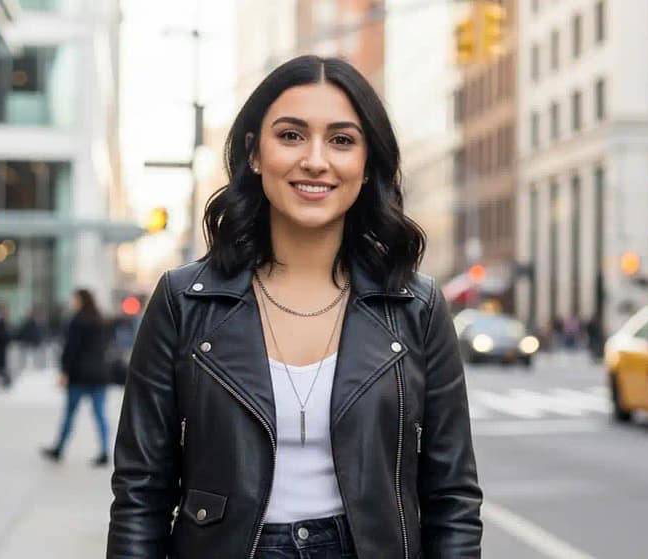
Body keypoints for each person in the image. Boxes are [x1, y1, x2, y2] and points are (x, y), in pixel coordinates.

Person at [107, 55, 482, 559]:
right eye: (291, 135)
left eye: (342, 140)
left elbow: (452, 498)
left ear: (367, 164)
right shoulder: (183, 301)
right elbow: (140, 493)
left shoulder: (416, 306)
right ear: (254, 153)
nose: (315, 160)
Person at [41, 289, 110, 466]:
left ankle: (59, 448)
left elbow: (71, 349)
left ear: (81, 300)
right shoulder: (100, 320)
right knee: (100, 414)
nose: (73, 302)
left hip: (79, 375)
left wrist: (64, 372)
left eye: (75, 299)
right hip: (98, 374)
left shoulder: (77, 321)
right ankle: (105, 451)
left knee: (70, 414)